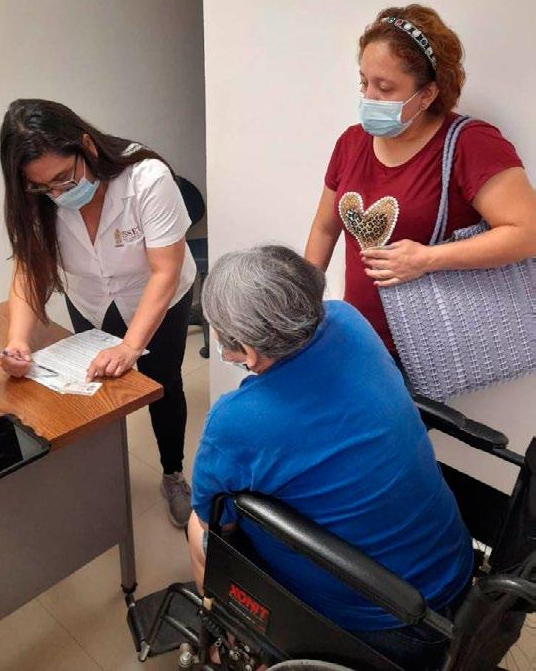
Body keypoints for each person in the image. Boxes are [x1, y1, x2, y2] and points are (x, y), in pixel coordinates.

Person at [188, 245, 473, 671]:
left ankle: (231, 640)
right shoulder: (346, 318)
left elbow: (219, 523)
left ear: (247, 351)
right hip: (456, 572)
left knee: (200, 529)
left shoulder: (235, 422)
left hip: (390, 622)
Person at [0, 99, 196, 528]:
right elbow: (29, 270)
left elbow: (165, 271)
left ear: (86, 146)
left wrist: (130, 346)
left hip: (157, 294)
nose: (57, 194)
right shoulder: (37, 198)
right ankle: (105, 473)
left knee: (163, 384)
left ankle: (173, 474)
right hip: (90, 297)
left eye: (63, 178)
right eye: (42, 187)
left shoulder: (146, 178)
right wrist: (17, 341)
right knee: (93, 389)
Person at [305, 4, 536, 356]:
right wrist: (303, 304)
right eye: (364, 82)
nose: (369, 98)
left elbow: (528, 233)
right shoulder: (351, 143)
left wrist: (427, 259)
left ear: (427, 94)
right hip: (358, 340)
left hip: (430, 348)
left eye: (385, 87)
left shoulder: (470, 143)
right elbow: (325, 228)